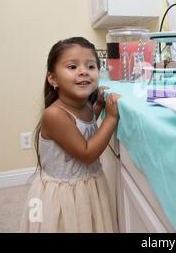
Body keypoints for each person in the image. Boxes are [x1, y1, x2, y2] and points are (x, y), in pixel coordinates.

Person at [19, 37, 121, 233]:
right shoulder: (55, 115)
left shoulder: (84, 106)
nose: (83, 71)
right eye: (72, 67)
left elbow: (85, 125)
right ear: (53, 79)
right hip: (62, 195)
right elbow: (87, 152)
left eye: (91, 66)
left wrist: (98, 106)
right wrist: (110, 118)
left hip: (86, 185)